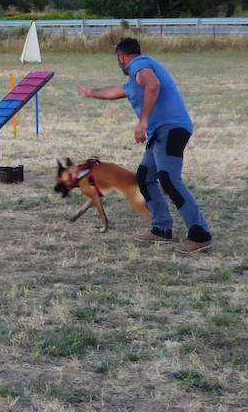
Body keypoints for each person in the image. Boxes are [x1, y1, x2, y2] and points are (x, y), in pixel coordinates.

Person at [77, 37, 213, 253]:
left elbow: (153, 84)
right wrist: (91, 93)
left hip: (171, 129)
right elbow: (115, 92)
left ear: (122, 57)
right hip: (161, 133)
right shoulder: (134, 80)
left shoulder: (139, 65)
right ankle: (161, 229)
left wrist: (143, 121)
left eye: (118, 59)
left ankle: (200, 234)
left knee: (169, 179)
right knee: (145, 177)